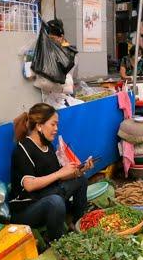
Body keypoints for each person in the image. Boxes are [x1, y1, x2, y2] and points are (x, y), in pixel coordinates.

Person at [8, 103, 94, 244]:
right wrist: (60, 173)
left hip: (47, 195)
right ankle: (56, 243)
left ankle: (77, 223)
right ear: (39, 125)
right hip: (26, 209)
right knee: (56, 202)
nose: (56, 129)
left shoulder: (48, 146)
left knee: (81, 180)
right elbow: (29, 185)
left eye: (57, 125)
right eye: (53, 124)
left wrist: (81, 170)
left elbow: (59, 176)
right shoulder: (22, 149)